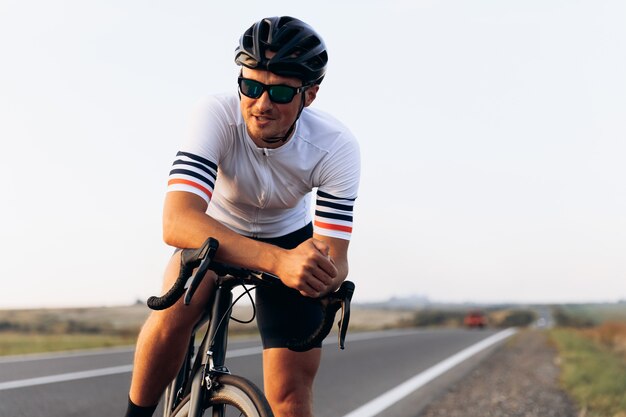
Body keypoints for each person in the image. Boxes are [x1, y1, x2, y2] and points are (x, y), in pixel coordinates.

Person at [124, 16, 360, 417]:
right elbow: (177, 221)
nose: (262, 104)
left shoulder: (335, 146)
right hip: (214, 230)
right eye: (250, 87)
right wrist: (276, 262)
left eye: (281, 93)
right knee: (174, 314)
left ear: (311, 95)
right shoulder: (214, 114)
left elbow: (336, 258)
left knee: (289, 396)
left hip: (289, 237)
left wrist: (321, 272)